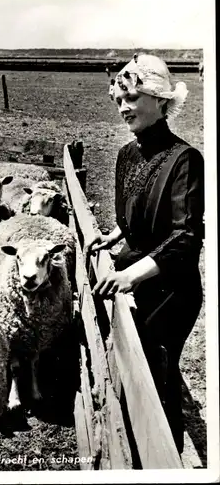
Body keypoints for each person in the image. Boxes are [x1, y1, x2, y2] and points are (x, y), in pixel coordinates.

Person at [87, 53, 204, 455]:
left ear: (159, 99)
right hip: (133, 281)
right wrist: (113, 234)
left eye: (133, 97)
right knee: (135, 370)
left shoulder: (185, 159)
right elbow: (133, 213)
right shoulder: (127, 155)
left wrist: (129, 275)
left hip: (171, 291)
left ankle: (162, 460)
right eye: (119, 99)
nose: (123, 107)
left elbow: (185, 236)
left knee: (158, 381)